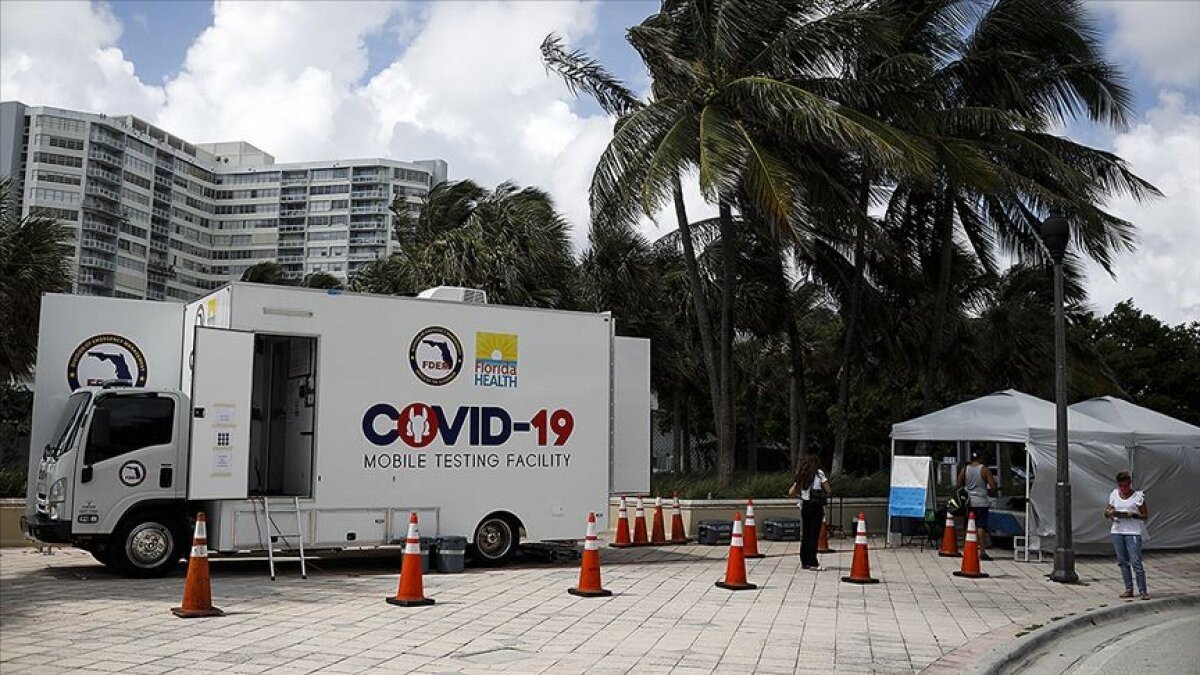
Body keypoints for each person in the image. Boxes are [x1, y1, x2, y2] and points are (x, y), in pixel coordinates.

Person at [1105, 470, 1149, 600]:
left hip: (1133, 531)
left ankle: (1143, 590)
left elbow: (1145, 515)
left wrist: (1133, 515)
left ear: (1130, 484)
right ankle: (1128, 588)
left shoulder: (1137, 497)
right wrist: (1111, 513)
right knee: (1122, 561)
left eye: (1126, 486)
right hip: (1118, 530)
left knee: (1135, 560)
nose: (1123, 489)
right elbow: (1107, 511)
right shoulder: (1114, 495)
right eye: (1121, 486)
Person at [789, 455, 832, 571]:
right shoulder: (819, 473)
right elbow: (828, 489)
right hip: (816, 505)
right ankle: (813, 562)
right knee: (814, 534)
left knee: (806, 534)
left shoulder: (801, 475)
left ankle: (804, 561)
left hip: (805, 505)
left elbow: (791, 492)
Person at [957, 452, 998, 560]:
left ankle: (967, 549)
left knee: (968, 526)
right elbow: (992, 486)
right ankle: (982, 551)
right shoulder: (984, 469)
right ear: (980, 459)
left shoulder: (965, 469)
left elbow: (958, 483)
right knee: (981, 526)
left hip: (968, 502)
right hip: (981, 502)